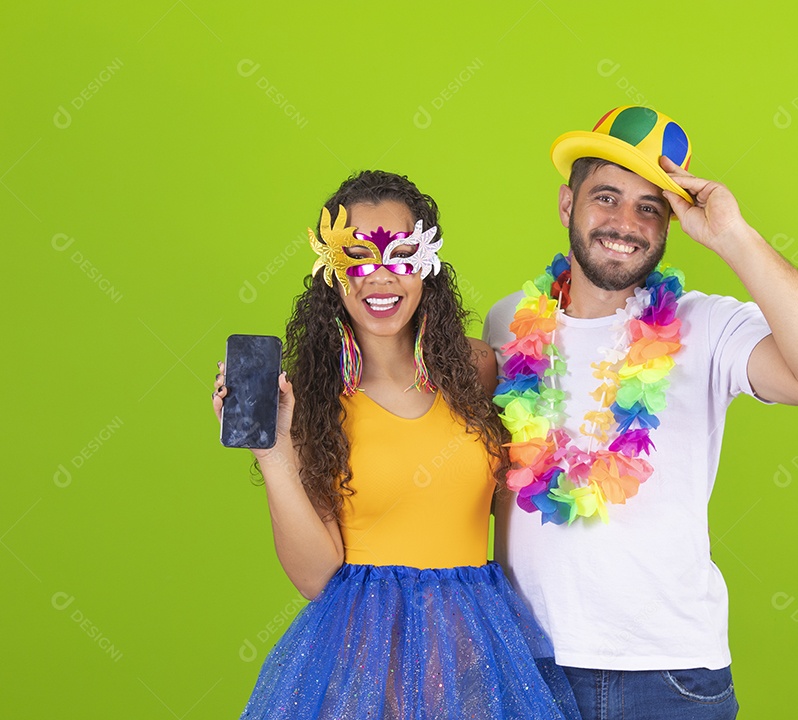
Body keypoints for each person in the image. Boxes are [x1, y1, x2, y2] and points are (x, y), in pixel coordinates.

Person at [483, 106, 798, 718]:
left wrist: (733, 237)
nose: (625, 223)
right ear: (567, 205)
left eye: (649, 207)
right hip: (527, 667)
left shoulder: (706, 324)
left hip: (670, 678)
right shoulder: (509, 322)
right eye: (605, 197)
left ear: (671, 221)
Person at [213, 170, 581, 719]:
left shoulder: (478, 370)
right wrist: (274, 455)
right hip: (367, 663)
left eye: (400, 255)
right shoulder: (313, 403)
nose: (379, 278)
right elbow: (317, 576)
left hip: (478, 648)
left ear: (427, 266)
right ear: (332, 274)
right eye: (358, 257)